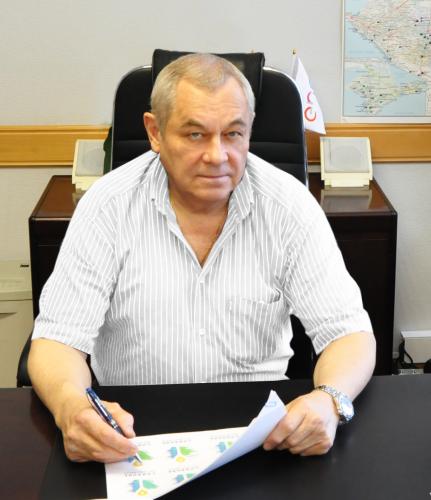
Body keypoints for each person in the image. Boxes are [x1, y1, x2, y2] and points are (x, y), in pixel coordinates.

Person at [28, 53, 376, 463]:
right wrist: (72, 407)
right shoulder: (108, 207)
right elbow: (57, 341)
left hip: (260, 435)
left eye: (233, 134)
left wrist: (330, 400)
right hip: (132, 433)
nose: (217, 155)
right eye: (195, 135)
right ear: (155, 132)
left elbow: (349, 333)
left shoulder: (289, 207)